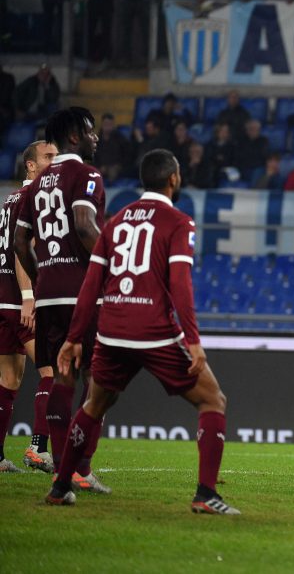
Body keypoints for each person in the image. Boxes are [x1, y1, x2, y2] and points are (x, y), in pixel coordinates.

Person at [44, 149, 238, 515]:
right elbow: (180, 283)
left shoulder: (114, 223)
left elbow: (91, 285)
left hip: (112, 331)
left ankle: (59, 485)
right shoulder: (178, 222)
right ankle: (205, 494)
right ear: (173, 179)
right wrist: (193, 341)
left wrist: (73, 338)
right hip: (155, 332)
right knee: (213, 400)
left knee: (94, 404)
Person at [13, 108, 110, 493]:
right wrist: (113, 267)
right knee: (98, 380)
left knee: (61, 378)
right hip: (82, 294)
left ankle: (59, 472)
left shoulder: (35, 186)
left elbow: (20, 242)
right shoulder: (86, 175)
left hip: (50, 296)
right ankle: (80, 468)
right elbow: (85, 224)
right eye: (90, 130)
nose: (96, 136)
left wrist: (42, 278)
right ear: (73, 136)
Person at [0, 141, 58, 473]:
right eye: (48, 157)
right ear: (31, 166)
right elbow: (25, 249)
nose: (55, 161)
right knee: (54, 371)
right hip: (19, 302)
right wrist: (28, 296)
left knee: (9, 378)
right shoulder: (36, 199)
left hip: (2, 297)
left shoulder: (9, 199)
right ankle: (38, 448)